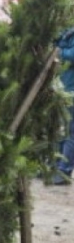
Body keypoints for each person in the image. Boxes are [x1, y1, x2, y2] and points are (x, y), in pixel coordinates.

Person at [52, 26, 74, 185]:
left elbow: (70, 54)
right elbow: (56, 40)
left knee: (70, 132)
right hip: (62, 87)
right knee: (59, 130)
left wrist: (60, 51)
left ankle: (64, 170)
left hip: (72, 90)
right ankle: (55, 167)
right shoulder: (69, 30)